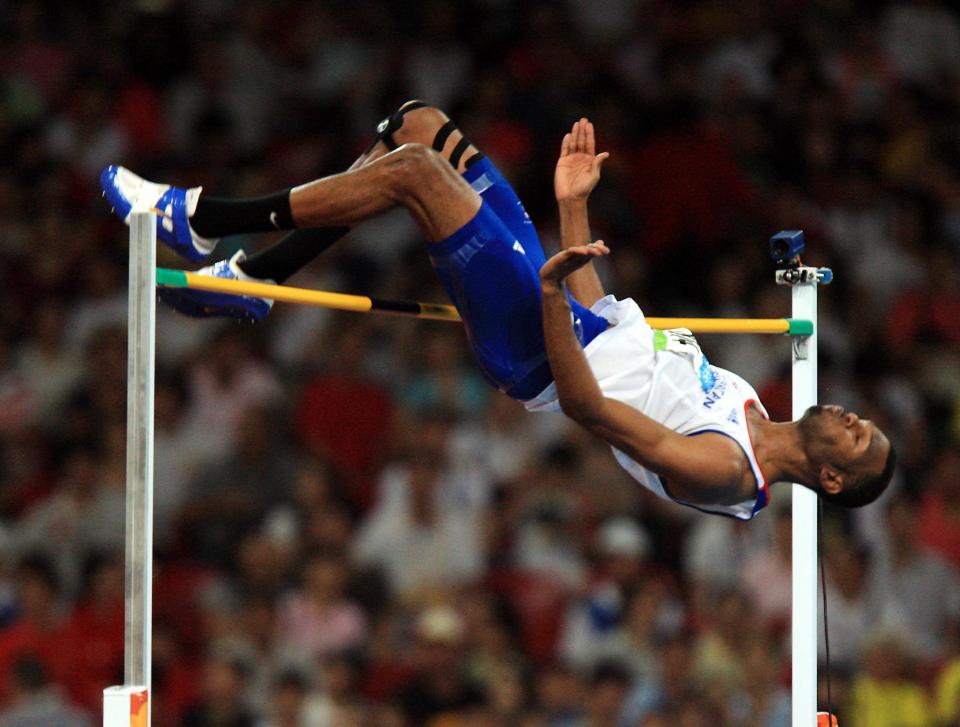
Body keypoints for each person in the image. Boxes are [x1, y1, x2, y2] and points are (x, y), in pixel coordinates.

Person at [100, 101, 896, 520]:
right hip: (569, 318)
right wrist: (572, 209)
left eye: (858, 437)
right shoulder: (750, 400)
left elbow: (589, 404)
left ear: (829, 476)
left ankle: (201, 218)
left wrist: (548, 294)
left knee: (415, 173)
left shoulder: (728, 471)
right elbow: (613, 316)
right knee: (419, 127)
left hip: (538, 351)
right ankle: (250, 279)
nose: (853, 416)